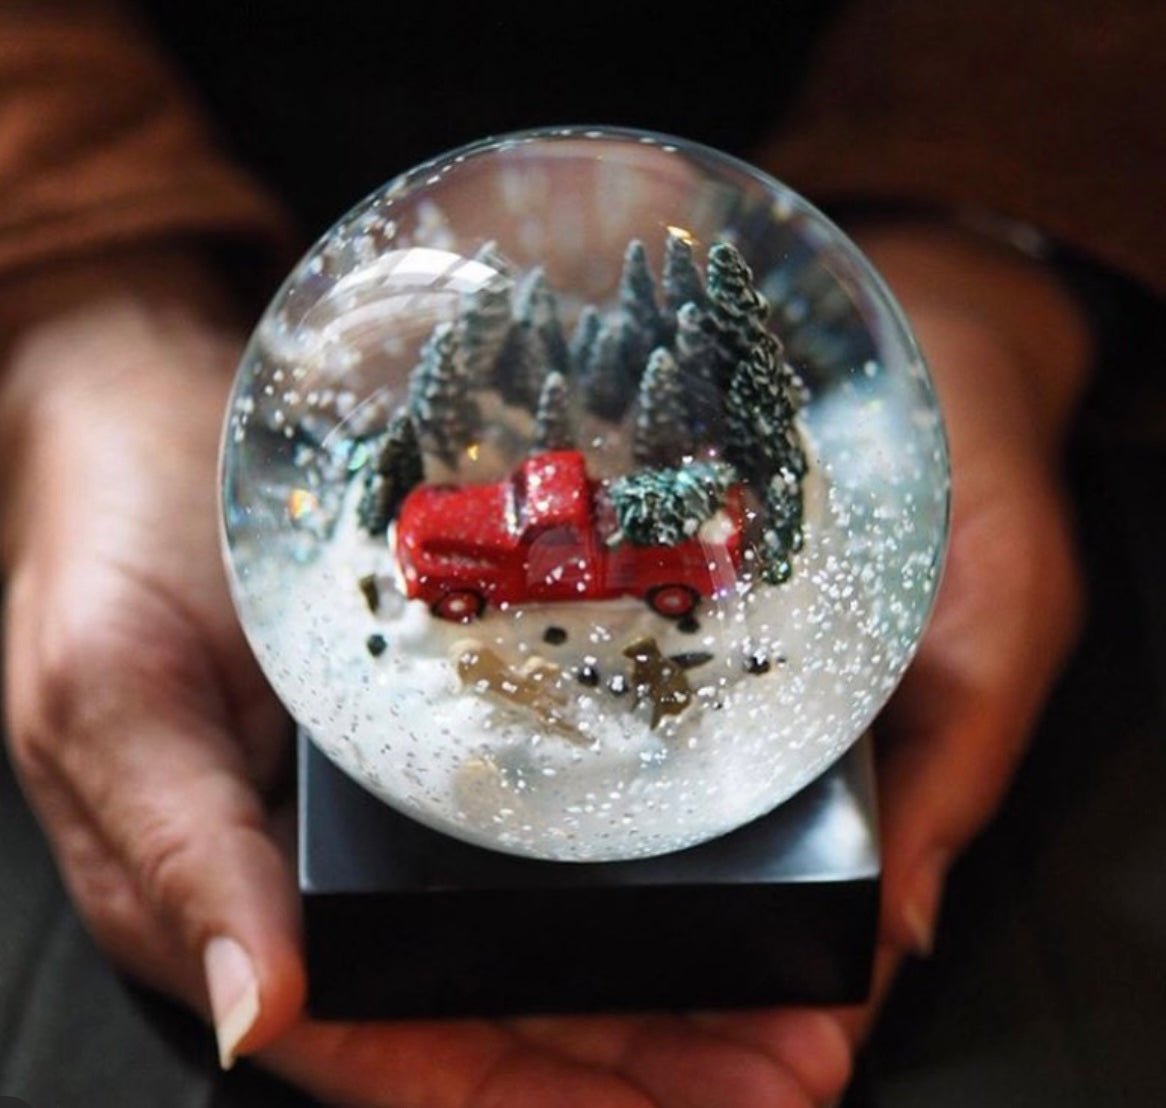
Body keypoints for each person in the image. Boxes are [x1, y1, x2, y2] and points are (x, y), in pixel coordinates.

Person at [1, 2, 1161, 1105]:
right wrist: (82, 304)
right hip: (252, 209)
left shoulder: (646, 549)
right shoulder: (486, 511)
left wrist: (981, 255)